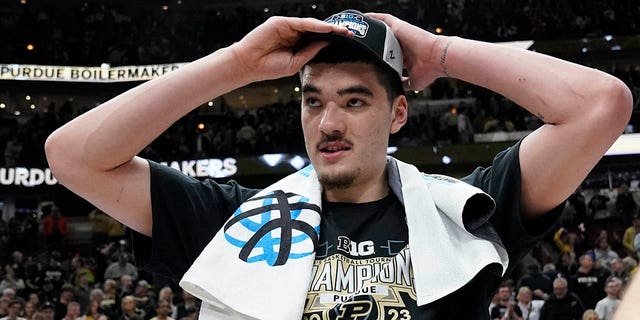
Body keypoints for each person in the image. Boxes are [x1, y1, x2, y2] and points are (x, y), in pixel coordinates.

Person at [44, 8, 632, 320]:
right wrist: (234, 66)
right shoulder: (236, 221)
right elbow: (72, 157)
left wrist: (434, 51)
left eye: (355, 101)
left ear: (398, 114)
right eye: (313, 101)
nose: (328, 124)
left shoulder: (468, 209)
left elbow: (599, 107)